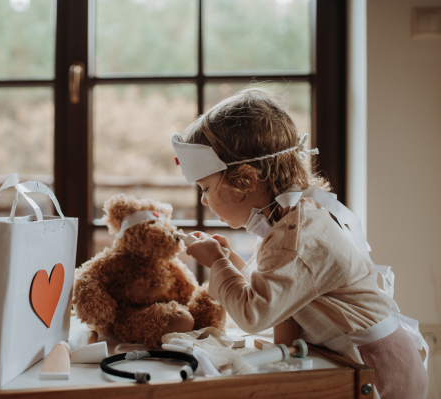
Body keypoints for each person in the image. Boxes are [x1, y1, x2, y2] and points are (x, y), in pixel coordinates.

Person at [171, 88, 428, 399]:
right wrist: (230, 260)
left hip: (379, 371)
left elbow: (255, 314)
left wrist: (217, 263)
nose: (204, 199)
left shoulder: (296, 234)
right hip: (365, 361)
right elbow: (276, 290)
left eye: (206, 187)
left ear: (245, 180)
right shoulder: (292, 219)